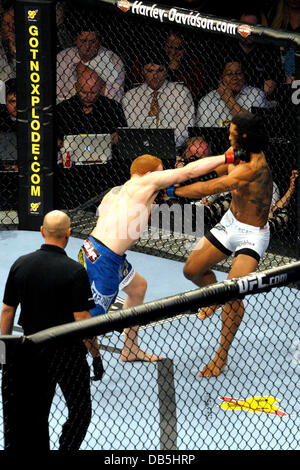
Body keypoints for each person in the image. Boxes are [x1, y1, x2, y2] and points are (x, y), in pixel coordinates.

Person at [78, 151, 242, 362]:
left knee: (138, 288)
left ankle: (130, 349)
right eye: (161, 172)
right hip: (105, 260)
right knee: (91, 322)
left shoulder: (117, 191)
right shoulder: (148, 181)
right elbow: (189, 171)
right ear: (148, 173)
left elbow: (115, 218)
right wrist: (227, 158)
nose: (164, 176)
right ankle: (68, 361)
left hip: (92, 248)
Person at [166, 112, 273, 377]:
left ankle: (221, 356)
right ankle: (214, 296)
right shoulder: (236, 151)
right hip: (231, 223)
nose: (228, 135)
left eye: (232, 132)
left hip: (252, 233)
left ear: (245, 136)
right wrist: (179, 175)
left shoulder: (254, 167)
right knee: (192, 271)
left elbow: (212, 187)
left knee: (234, 294)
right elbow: (213, 169)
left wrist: (172, 191)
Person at [1, 210, 102, 451]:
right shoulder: (75, 271)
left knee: (36, 411)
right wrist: (96, 356)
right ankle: (66, 448)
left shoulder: (21, 264)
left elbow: (7, 311)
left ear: (42, 231)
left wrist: (4, 354)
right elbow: (82, 320)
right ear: (68, 234)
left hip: (32, 349)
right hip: (68, 353)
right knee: (80, 411)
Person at [122, 49, 195, 150]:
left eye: (160, 71)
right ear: (143, 71)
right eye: (150, 71)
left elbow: (185, 130)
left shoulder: (180, 92)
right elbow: (133, 130)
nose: (155, 76)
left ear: (166, 70)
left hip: (173, 149)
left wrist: (160, 144)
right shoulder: (131, 96)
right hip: (141, 150)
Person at [56, 67, 127, 147]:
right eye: (83, 92)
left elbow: (123, 135)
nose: (88, 96)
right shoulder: (63, 109)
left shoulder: (113, 107)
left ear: (101, 89)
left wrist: (111, 140)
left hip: (105, 156)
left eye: (93, 92)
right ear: (76, 87)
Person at [56, 25, 125, 103]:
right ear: (76, 40)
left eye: (93, 41)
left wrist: (99, 84)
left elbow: (118, 97)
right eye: (83, 41)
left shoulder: (113, 60)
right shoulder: (63, 57)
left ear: (99, 41)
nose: (88, 46)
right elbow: (57, 94)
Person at [224, 12, 283, 97]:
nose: (247, 31)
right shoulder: (227, 50)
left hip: (259, 100)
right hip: (231, 98)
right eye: (244, 26)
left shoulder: (267, 53)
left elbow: (271, 85)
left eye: (252, 27)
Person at [196, 61, 268, 128]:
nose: (235, 78)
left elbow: (254, 126)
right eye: (229, 74)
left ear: (244, 76)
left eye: (239, 73)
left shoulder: (256, 94)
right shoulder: (207, 100)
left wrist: (228, 99)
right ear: (221, 78)